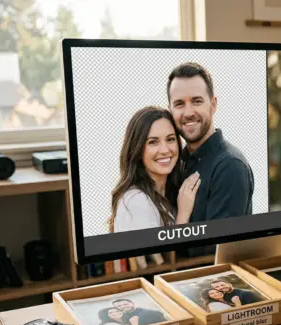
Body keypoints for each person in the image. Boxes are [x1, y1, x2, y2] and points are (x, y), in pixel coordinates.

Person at [167, 62, 254, 222]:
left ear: (213, 105)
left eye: (197, 101)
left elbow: (217, 247)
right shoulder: (175, 162)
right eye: (179, 104)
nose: (188, 112)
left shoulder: (230, 166)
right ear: (170, 110)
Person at [109, 106, 201, 232]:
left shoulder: (166, 197)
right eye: (153, 142)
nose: (165, 150)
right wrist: (183, 216)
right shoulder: (137, 201)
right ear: (138, 149)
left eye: (170, 139)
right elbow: (155, 252)